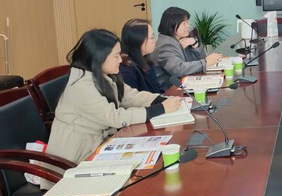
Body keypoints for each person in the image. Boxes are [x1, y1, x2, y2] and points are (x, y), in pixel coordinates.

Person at [45, 29, 182, 165]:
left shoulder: (104, 74)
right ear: (99, 58)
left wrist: (162, 100)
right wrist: (161, 109)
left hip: (101, 144)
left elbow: (130, 96)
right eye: (116, 56)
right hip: (77, 156)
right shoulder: (81, 85)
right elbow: (114, 117)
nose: (120, 60)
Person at [152, 6, 221, 87]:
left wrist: (195, 44)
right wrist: (205, 63)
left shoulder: (180, 39)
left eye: (188, 22)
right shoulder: (166, 45)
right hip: (169, 90)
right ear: (172, 25)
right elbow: (178, 69)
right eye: (184, 23)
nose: (188, 26)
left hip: (183, 84)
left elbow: (200, 59)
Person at [120, 18, 165, 93]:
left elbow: (156, 89)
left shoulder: (147, 60)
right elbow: (134, 98)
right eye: (152, 37)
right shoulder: (126, 69)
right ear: (138, 40)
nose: (155, 40)